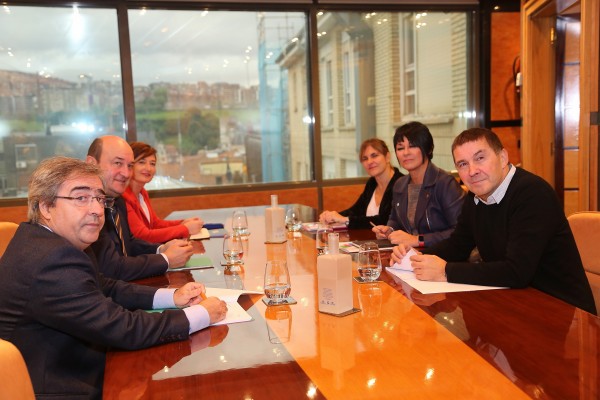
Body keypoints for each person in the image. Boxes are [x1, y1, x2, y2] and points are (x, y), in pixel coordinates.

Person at [0, 157, 228, 399]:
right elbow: (123, 329)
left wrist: (173, 296)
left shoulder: (48, 242)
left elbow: (104, 286)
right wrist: (202, 314)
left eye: (99, 198)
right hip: (63, 385)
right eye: (81, 198)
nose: (97, 210)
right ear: (45, 207)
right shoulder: (52, 259)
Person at [391, 128, 596, 314]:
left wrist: (445, 271)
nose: (472, 171)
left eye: (480, 158)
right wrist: (416, 255)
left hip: (564, 311)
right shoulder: (475, 197)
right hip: (515, 302)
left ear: (503, 157)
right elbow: (457, 246)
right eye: (463, 164)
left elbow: (516, 272)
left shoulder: (533, 194)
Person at [86, 135, 194, 281]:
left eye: (130, 165)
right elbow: (112, 268)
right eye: (118, 163)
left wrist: (161, 249)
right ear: (91, 164)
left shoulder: (116, 200)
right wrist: (166, 259)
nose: (126, 173)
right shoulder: (85, 209)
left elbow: (130, 242)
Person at [372, 122, 465, 247]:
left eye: (412, 146)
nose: (406, 153)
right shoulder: (400, 184)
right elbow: (395, 220)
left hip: (443, 257)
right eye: (400, 148)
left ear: (428, 148)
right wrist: (390, 230)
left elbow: (461, 232)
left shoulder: (445, 183)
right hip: (409, 255)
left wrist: (418, 240)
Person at [122, 141, 204, 243]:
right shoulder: (123, 197)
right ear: (130, 165)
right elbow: (142, 235)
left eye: (152, 164)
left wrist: (182, 223)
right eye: (142, 162)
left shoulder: (142, 192)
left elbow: (155, 224)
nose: (148, 168)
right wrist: (185, 229)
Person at [319, 138, 403, 229]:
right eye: (365, 158)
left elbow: (385, 220)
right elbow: (355, 210)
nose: (369, 162)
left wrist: (345, 220)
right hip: (370, 240)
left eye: (374, 155)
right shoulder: (372, 183)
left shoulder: (401, 184)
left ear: (387, 157)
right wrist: (332, 216)